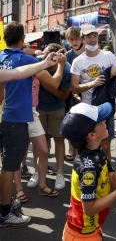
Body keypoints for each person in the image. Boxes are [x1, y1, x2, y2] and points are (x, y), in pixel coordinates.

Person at [0, 21, 57, 227]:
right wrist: (50, 63)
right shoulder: (24, 59)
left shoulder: (1, 58)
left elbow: (15, 75)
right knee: (9, 168)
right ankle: (4, 213)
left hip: (5, 118)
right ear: (23, 38)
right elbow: (20, 73)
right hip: (15, 121)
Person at [60, 102, 116, 241]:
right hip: (81, 235)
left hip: (90, 228)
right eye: (100, 121)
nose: (105, 121)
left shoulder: (97, 151)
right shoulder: (88, 168)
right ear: (91, 135)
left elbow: (111, 178)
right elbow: (90, 209)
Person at [71, 24, 116, 161]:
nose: (92, 40)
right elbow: (74, 87)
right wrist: (92, 83)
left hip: (106, 107)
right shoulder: (78, 61)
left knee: (106, 146)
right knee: (88, 145)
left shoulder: (108, 55)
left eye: (95, 36)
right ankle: (91, 176)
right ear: (83, 39)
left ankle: (106, 178)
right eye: (89, 37)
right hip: (88, 109)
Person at [37, 43, 72, 191]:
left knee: (59, 140)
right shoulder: (38, 64)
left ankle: (59, 172)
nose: (44, 57)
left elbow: (64, 95)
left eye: (47, 55)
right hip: (39, 108)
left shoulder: (66, 68)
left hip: (57, 108)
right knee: (41, 142)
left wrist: (46, 85)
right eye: (44, 54)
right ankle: (38, 173)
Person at [64, 26, 85, 161]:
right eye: (71, 39)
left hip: (87, 93)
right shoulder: (68, 56)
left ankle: (85, 150)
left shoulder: (88, 53)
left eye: (77, 38)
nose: (75, 42)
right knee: (71, 123)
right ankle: (72, 149)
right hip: (70, 95)